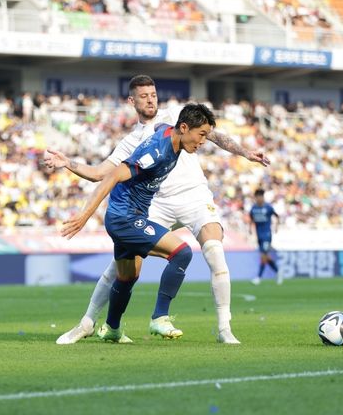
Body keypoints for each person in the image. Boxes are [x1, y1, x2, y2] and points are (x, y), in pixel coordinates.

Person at [47, 75, 269, 345]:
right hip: (154, 205)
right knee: (124, 271)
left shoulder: (175, 118)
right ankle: (93, 322)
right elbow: (100, 174)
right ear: (132, 101)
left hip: (194, 196)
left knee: (214, 250)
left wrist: (244, 152)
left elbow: (213, 134)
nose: (151, 99)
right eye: (143, 95)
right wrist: (69, 164)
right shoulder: (135, 142)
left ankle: (224, 329)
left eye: (153, 94)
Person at [60, 103, 215, 342]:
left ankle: (112, 328)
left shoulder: (169, 132)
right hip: (125, 218)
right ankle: (159, 317)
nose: (203, 141)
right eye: (201, 134)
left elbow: (161, 125)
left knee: (127, 276)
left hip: (130, 215)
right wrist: (84, 216)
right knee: (182, 253)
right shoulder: (157, 152)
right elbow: (113, 175)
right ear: (184, 128)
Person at [249, 188, 281, 285]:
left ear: (263, 197)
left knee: (263, 256)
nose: (259, 198)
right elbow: (251, 219)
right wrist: (250, 228)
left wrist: (276, 227)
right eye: (257, 197)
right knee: (265, 257)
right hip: (259, 235)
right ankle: (278, 271)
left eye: (261, 196)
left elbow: (277, 216)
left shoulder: (268, 207)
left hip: (267, 235)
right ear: (255, 198)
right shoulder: (254, 208)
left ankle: (258, 277)